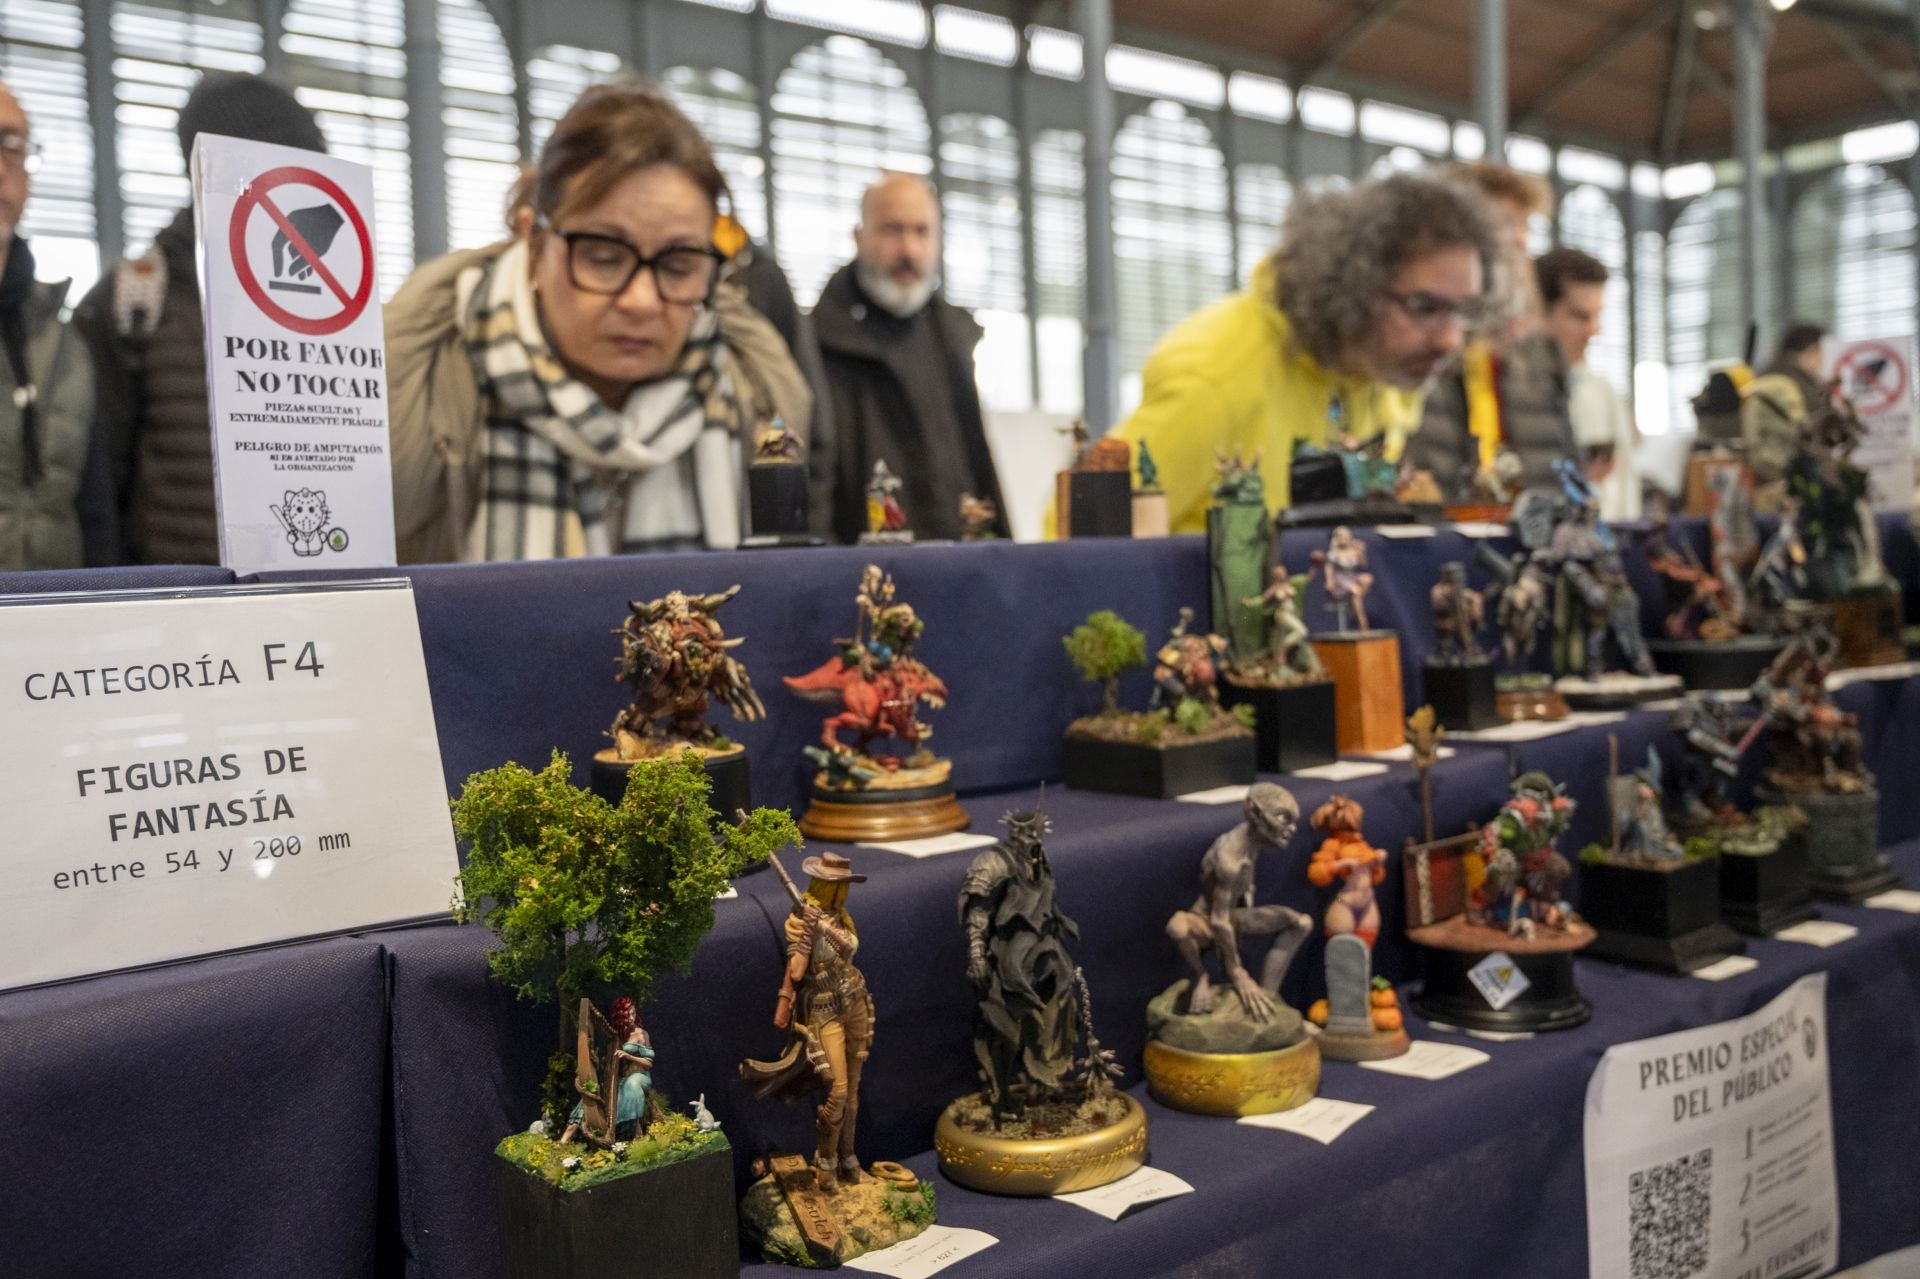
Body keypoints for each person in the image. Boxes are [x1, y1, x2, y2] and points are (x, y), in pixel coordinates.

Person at [385, 82, 812, 562]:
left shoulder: (755, 391)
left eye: (677, 265)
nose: (642, 301)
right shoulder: (420, 392)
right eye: (605, 258)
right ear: (534, 244)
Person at [1114, 171, 1501, 532]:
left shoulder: (1386, 370)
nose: (1450, 340)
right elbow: (1089, 539)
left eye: (1465, 311)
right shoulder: (1217, 376)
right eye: (1423, 307)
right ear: (1355, 286)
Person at [73, 73, 326, 567]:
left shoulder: (329, 305)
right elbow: (101, 486)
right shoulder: (137, 297)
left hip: (309, 593)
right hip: (178, 609)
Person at [812, 173, 1008, 544]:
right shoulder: (821, 342)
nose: (909, 250)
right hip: (862, 578)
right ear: (859, 237)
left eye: (922, 232)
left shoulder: (952, 338)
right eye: (891, 230)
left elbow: (978, 467)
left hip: (956, 567)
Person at [1404, 164, 1579, 502]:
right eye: (1505, 223)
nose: (1520, 238)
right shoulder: (1417, 342)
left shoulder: (1542, 353)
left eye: (1524, 224)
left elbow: (1567, 461)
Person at [0, 79, 112, 571]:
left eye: (13, 144)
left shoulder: (64, 339)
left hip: (60, 633)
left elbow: (97, 514)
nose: (2, 167)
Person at [1537, 247, 1638, 520]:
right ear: (1541, 312)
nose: (1593, 329)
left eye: (1597, 316)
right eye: (1580, 316)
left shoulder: (1603, 392)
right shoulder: (1508, 391)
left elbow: (1626, 487)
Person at [1743, 322, 1827, 508]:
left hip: (1760, 480)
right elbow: (1819, 436)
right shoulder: (1801, 384)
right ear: (1814, 349)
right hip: (1792, 481)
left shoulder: (1763, 374)